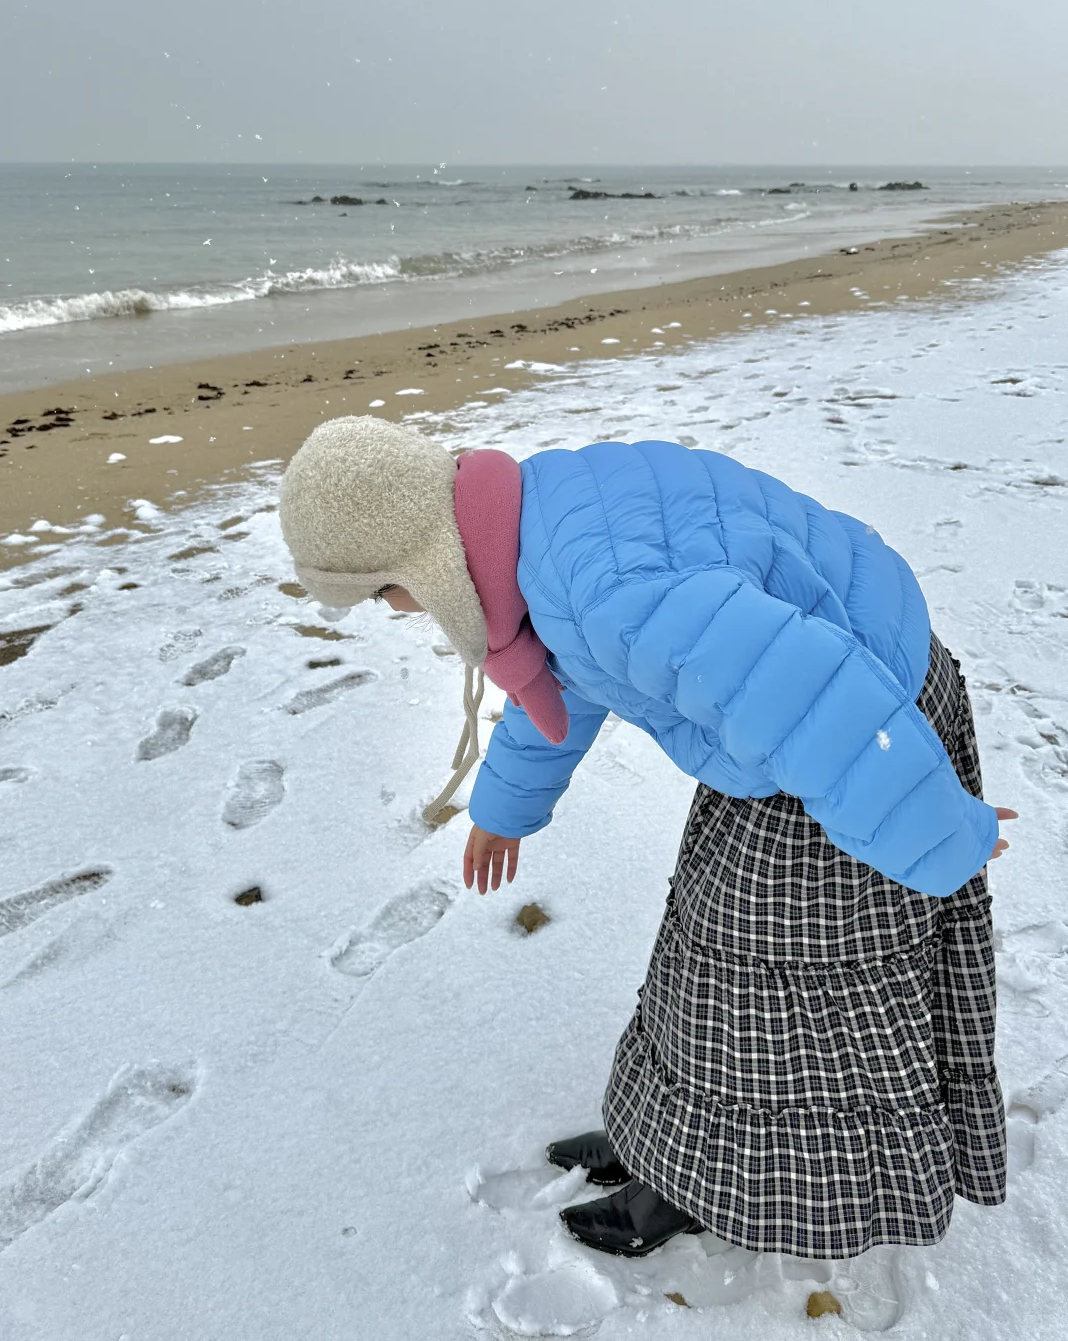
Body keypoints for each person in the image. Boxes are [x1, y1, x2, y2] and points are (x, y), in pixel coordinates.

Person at [279, 415, 1014, 1263]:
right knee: (703, 950)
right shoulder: (537, 516)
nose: (399, 613)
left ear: (423, 555)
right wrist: (503, 806)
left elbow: (814, 691)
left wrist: (945, 833)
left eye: (385, 592)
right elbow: (565, 670)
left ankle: (697, 1187)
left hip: (867, 740)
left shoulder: (598, 587)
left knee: (757, 990)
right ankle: (663, 1143)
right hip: (805, 734)